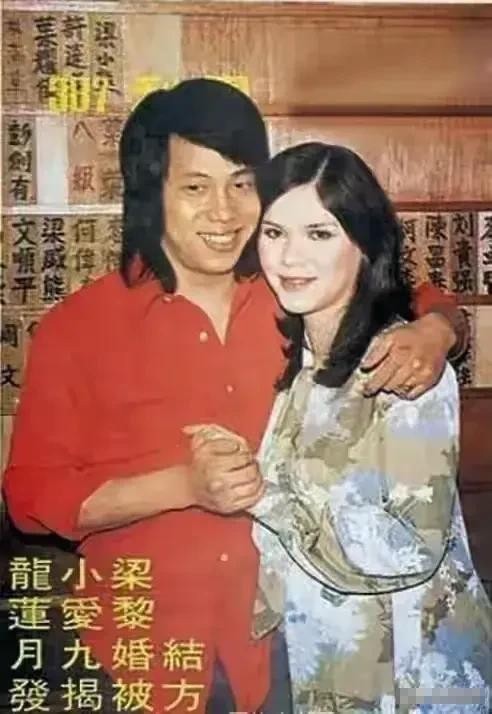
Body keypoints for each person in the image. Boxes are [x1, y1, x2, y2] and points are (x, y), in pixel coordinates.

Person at [3, 81, 469, 713]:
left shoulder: (290, 288)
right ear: (152, 193)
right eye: (196, 187)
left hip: (290, 649)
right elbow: (32, 497)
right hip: (144, 652)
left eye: (241, 183)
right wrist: (182, 486)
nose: (224, 213)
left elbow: (405, 292)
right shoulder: (80, 327)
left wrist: (439, 329)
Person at [189, 142, 492, 713]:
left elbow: (410, 549)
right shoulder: (303, 358)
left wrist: (261, 494)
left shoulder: (401, 366)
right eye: (275, 232)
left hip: (412, 678)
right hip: (326, 666)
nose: (290, 256)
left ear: (364, 242)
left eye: (319, 233)